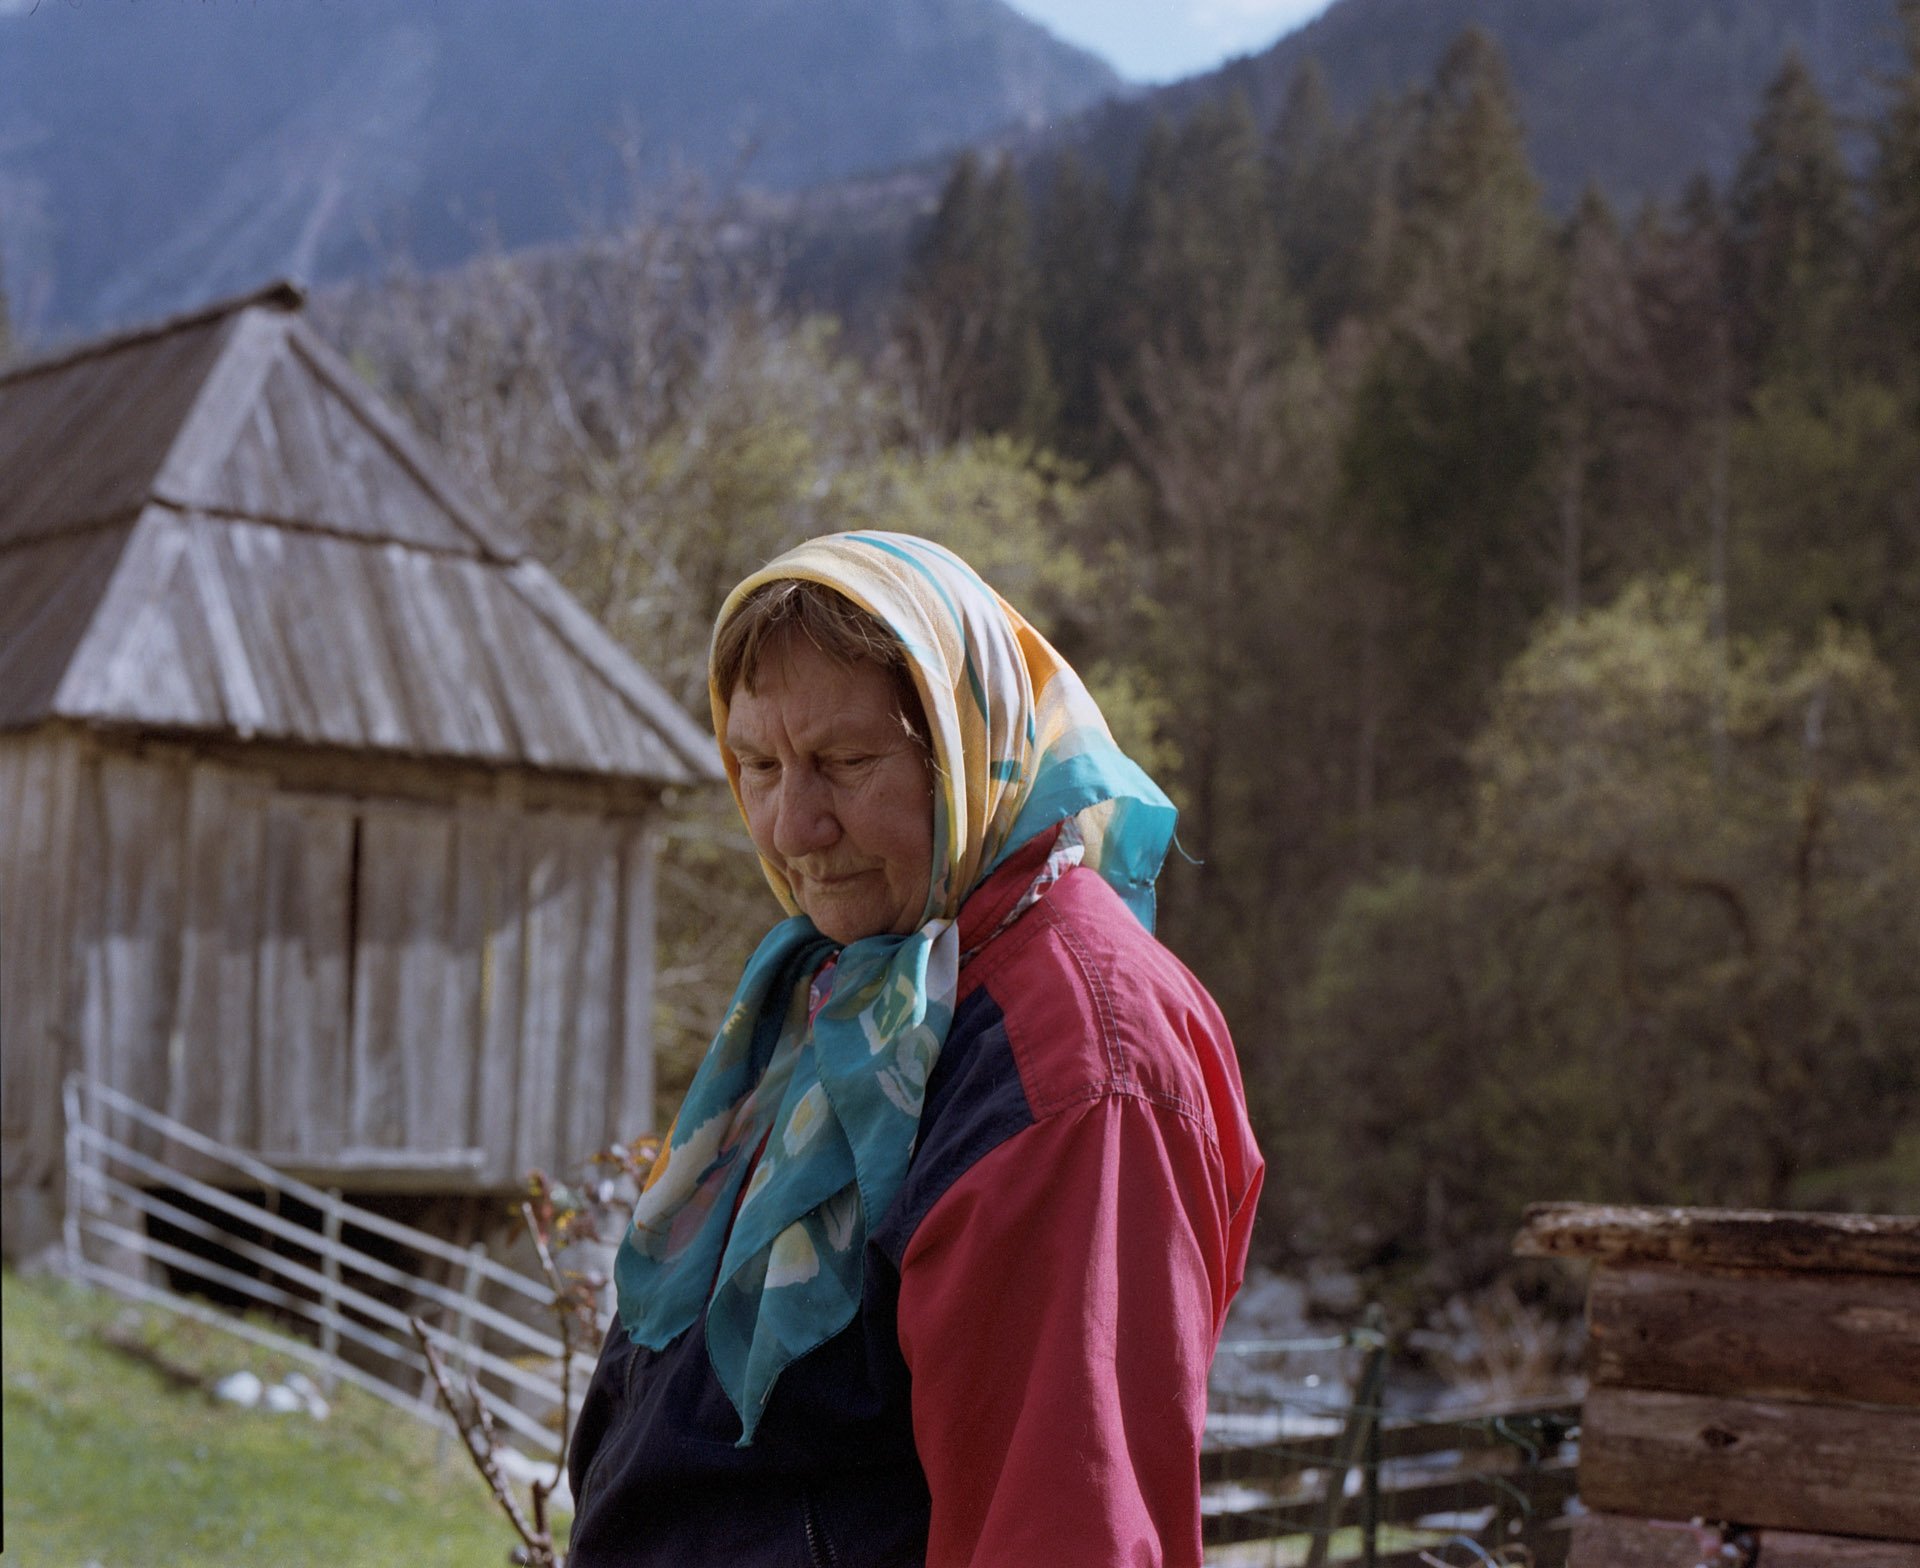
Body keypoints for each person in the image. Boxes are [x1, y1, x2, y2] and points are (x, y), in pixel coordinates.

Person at [567, 531, 1263, 1567]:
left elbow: (1062, 1524)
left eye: (845, 763)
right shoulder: (862, 981)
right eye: (756, 762)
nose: (792, 825)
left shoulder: (1074, 1058)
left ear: (969, 741)